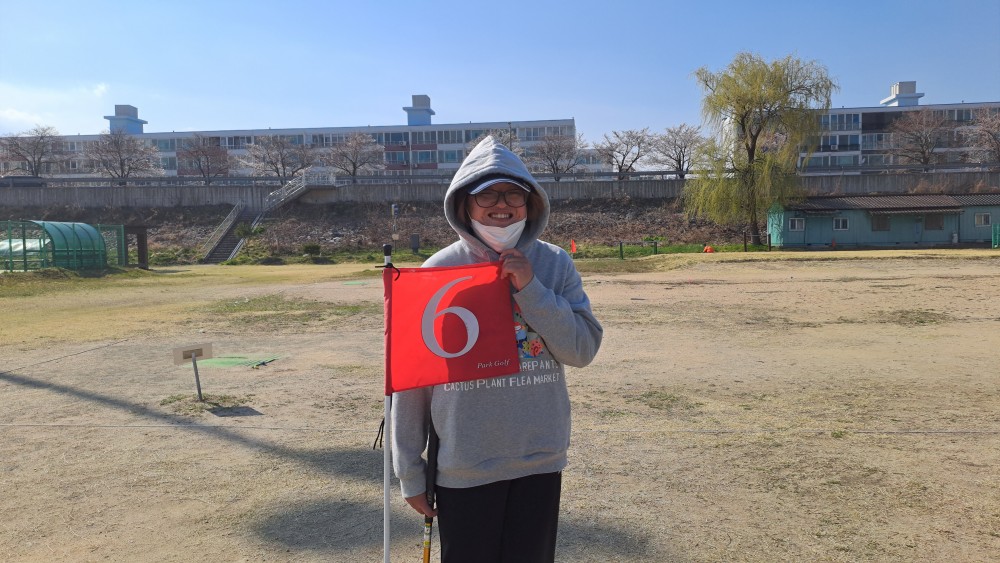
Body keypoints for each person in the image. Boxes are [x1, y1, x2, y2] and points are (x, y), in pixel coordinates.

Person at [391, 136, 603, 562]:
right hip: (464, 464)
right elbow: (413, 383)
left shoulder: (555, 263)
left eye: (513, 194)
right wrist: (410, 472)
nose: (501, 205)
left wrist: (532, 288)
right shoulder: (437, 271)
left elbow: (582, 350)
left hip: (539, 458)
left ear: (531, 203)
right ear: (464, 204)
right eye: (486, 194)